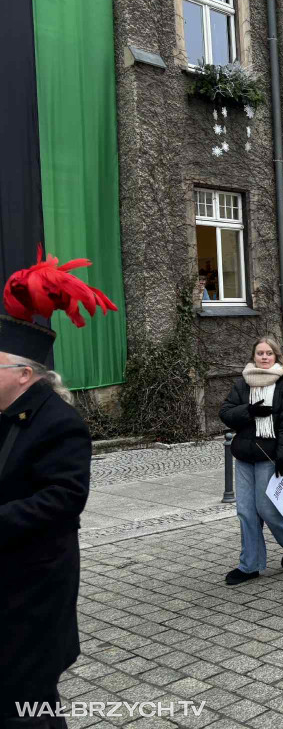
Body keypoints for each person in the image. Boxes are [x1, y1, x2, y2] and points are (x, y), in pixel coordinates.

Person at [0, 253, 117, 726]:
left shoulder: (59, 423)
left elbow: (64, 499)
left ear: (24, 375)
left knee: (29, 705)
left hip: (34, 587)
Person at [219, 338, 283, 586]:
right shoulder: (242, 383)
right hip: (245, 456)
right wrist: (249, 411)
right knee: (245, 511)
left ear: (276, 357)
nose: (264, 357)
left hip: (270, 458)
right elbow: (225, 413)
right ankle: (250, 565)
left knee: (267, 509)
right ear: (254, 356)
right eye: (260, 353)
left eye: (269, 353)